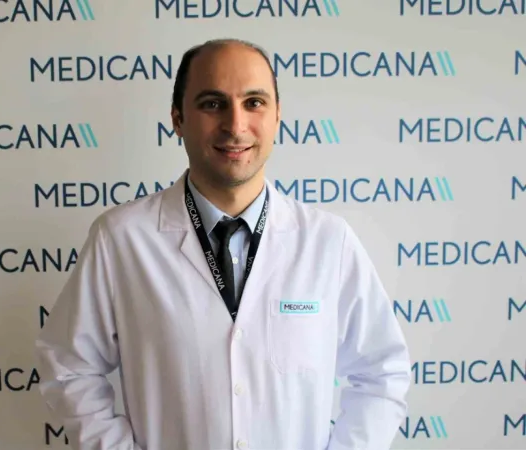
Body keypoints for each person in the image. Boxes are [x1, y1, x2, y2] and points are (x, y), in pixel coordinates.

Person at [35, 38, 412, 450]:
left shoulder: (327, 241)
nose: (235, 125)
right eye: (213, 104)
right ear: (178, 119)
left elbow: (383, 373)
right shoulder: (122, 239)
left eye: (254, 103)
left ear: (277, 116)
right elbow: (69, 368)